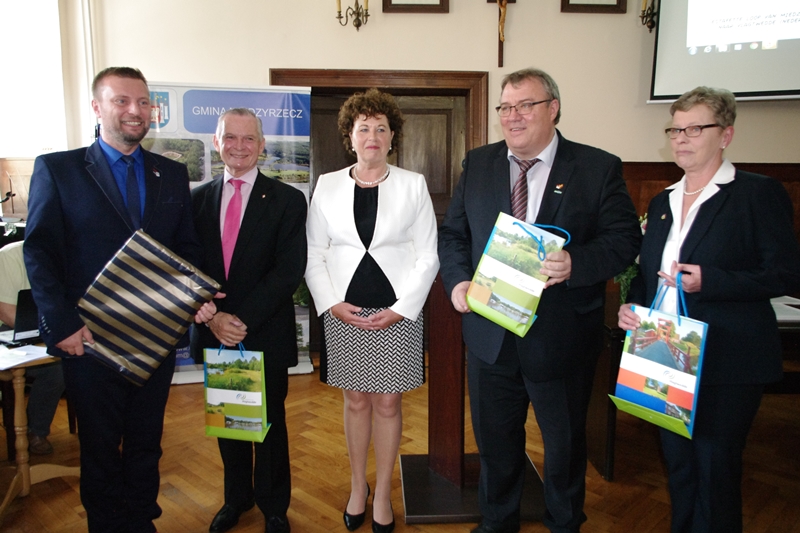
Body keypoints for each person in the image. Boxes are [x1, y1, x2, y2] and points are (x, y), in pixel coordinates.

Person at [438, 68, 641, 533]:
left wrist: (576, 263)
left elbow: (625, 239)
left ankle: (565, 523)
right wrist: (458, 282)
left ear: (553, 109)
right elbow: (453, 235)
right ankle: (497, 522)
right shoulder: (479, 163)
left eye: (525, 105)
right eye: (505, 107)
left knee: (565, 446)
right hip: (490, 336)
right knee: (495, 443)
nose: (513, 116)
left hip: (562, 337)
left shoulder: (596, 167)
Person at [24, 66, 215, 533]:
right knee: (100, 444)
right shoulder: (59, 169)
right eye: (122, 101)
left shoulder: (171, 174)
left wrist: (195, 296)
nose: (135, 111)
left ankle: (142, 519)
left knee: (147, 441)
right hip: (88, 338)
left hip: (154, 338)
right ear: (97, 107)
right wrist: (61, 324)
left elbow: (186, 249)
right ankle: (107, 524)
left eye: (143, 102)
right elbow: (40, 253)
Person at [617, 86, 800, 533]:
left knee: (715, 468)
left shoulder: (756, 194)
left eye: (694, 129)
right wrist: (632, 307)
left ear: (726, 135)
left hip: (728, 358)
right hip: (664, 354)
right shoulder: (662, 201)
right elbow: (648, 276)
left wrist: (711, 280)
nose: (681, 138)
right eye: (675, 129)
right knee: (679, 464)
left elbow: (785, 274)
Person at [305, 88, 439, 533]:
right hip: (343, 310)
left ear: (392, 136)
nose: (373, 137)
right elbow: (314, 252)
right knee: (356, 399)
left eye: (381, 128)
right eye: (364, 128)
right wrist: (331, 303)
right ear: (350, 136)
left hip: (397, 312)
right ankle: (357, 486)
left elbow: (428, 255)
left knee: (387, 402)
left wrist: (403, 309)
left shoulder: (413, 185)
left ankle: (382, 493)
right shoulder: (327, 185)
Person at [191, 108, 307, 533]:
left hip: (263, 329)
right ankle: (236, 499)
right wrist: (212, 317)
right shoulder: (196, 201)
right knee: (230, 420)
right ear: (216, 142)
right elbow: (185, 265)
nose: (239, 146)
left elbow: (288, 271)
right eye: (230, 137)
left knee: (269, 423)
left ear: (262, 145)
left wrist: (237, 320)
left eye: (248, 138)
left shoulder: (288, 200)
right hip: (213, 328)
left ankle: (274, 506)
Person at [0, 241, 66, 455]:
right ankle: (33, 430)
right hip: (6, 333)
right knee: (55, 369)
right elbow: (7, 313)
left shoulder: (61, 255)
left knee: (72, 361)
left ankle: (103, 428)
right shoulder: (9, 256)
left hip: (41, 330)